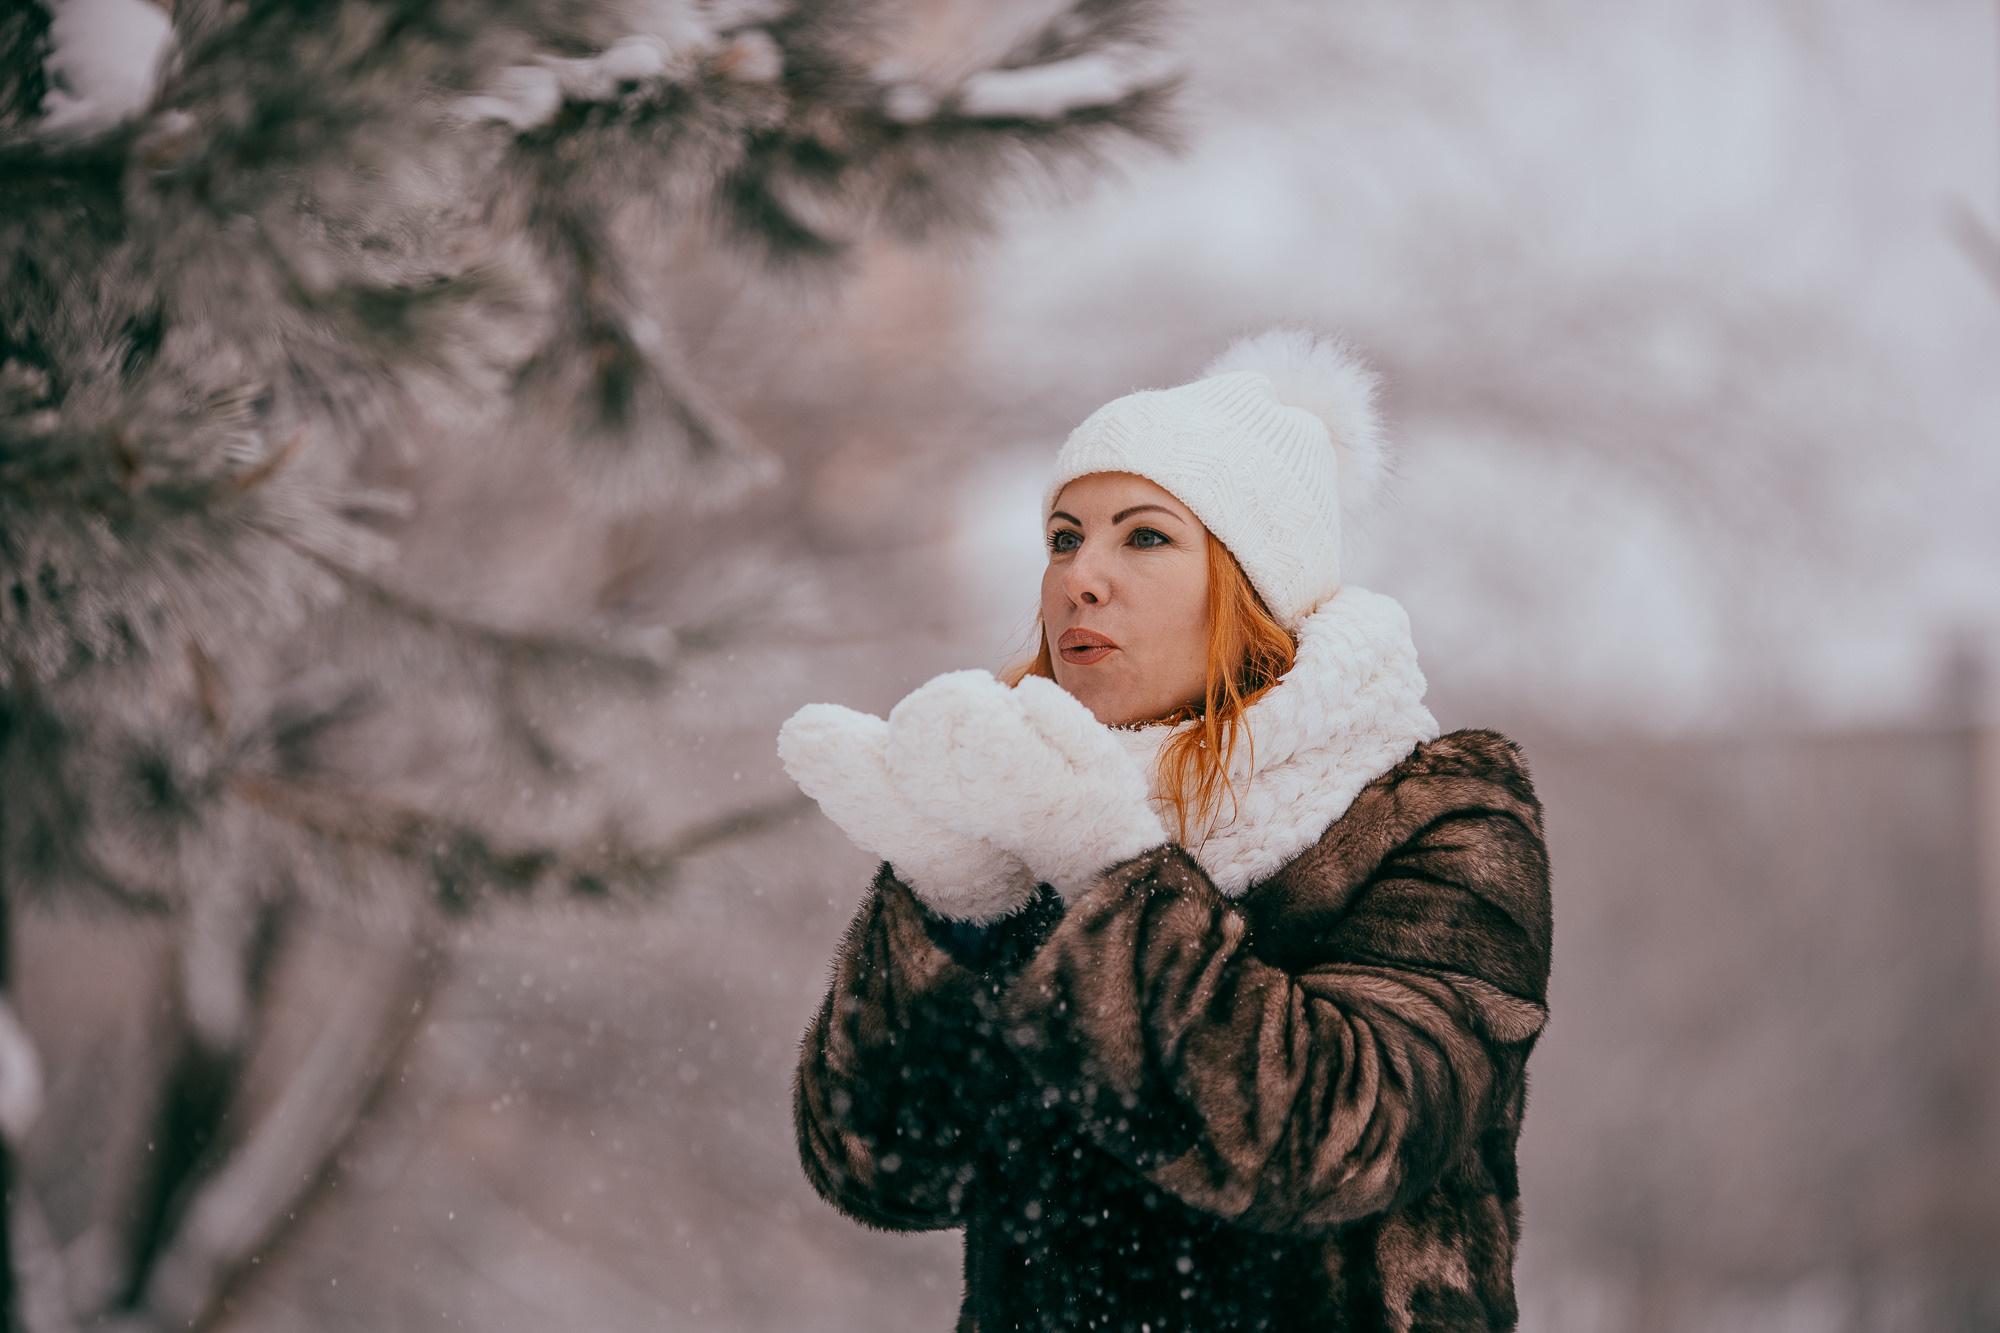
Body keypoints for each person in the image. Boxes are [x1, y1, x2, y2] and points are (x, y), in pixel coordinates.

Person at [777, 328, 1552, 1332]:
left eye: (1141, 536)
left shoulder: (1438, 815)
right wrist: (956, 902)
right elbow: (880, 1166)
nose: (1077, 579)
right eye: (1062, 537)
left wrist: (1103, 870)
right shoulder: (1017, 807)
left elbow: (1334, 1143)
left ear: (1250, 582)